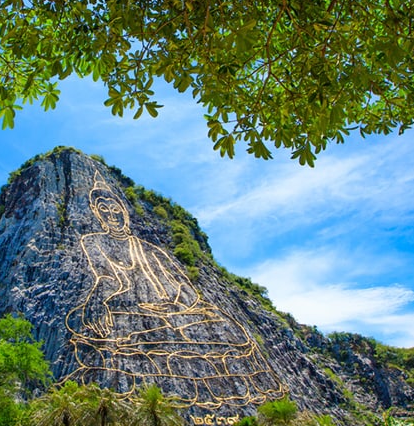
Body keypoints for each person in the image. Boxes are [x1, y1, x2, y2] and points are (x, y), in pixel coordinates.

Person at [65, 173, 285, 409]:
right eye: (104, 210)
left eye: (115, 209)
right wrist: (98, 297)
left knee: (224, 325)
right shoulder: (93, 241)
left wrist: (178, 305)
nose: (112, 215)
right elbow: (106, 277)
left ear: (124, 211)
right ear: (97, 214)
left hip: (170, 314)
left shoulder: (149, 249)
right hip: (128, 311)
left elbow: (185, 287)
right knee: (116, 328)